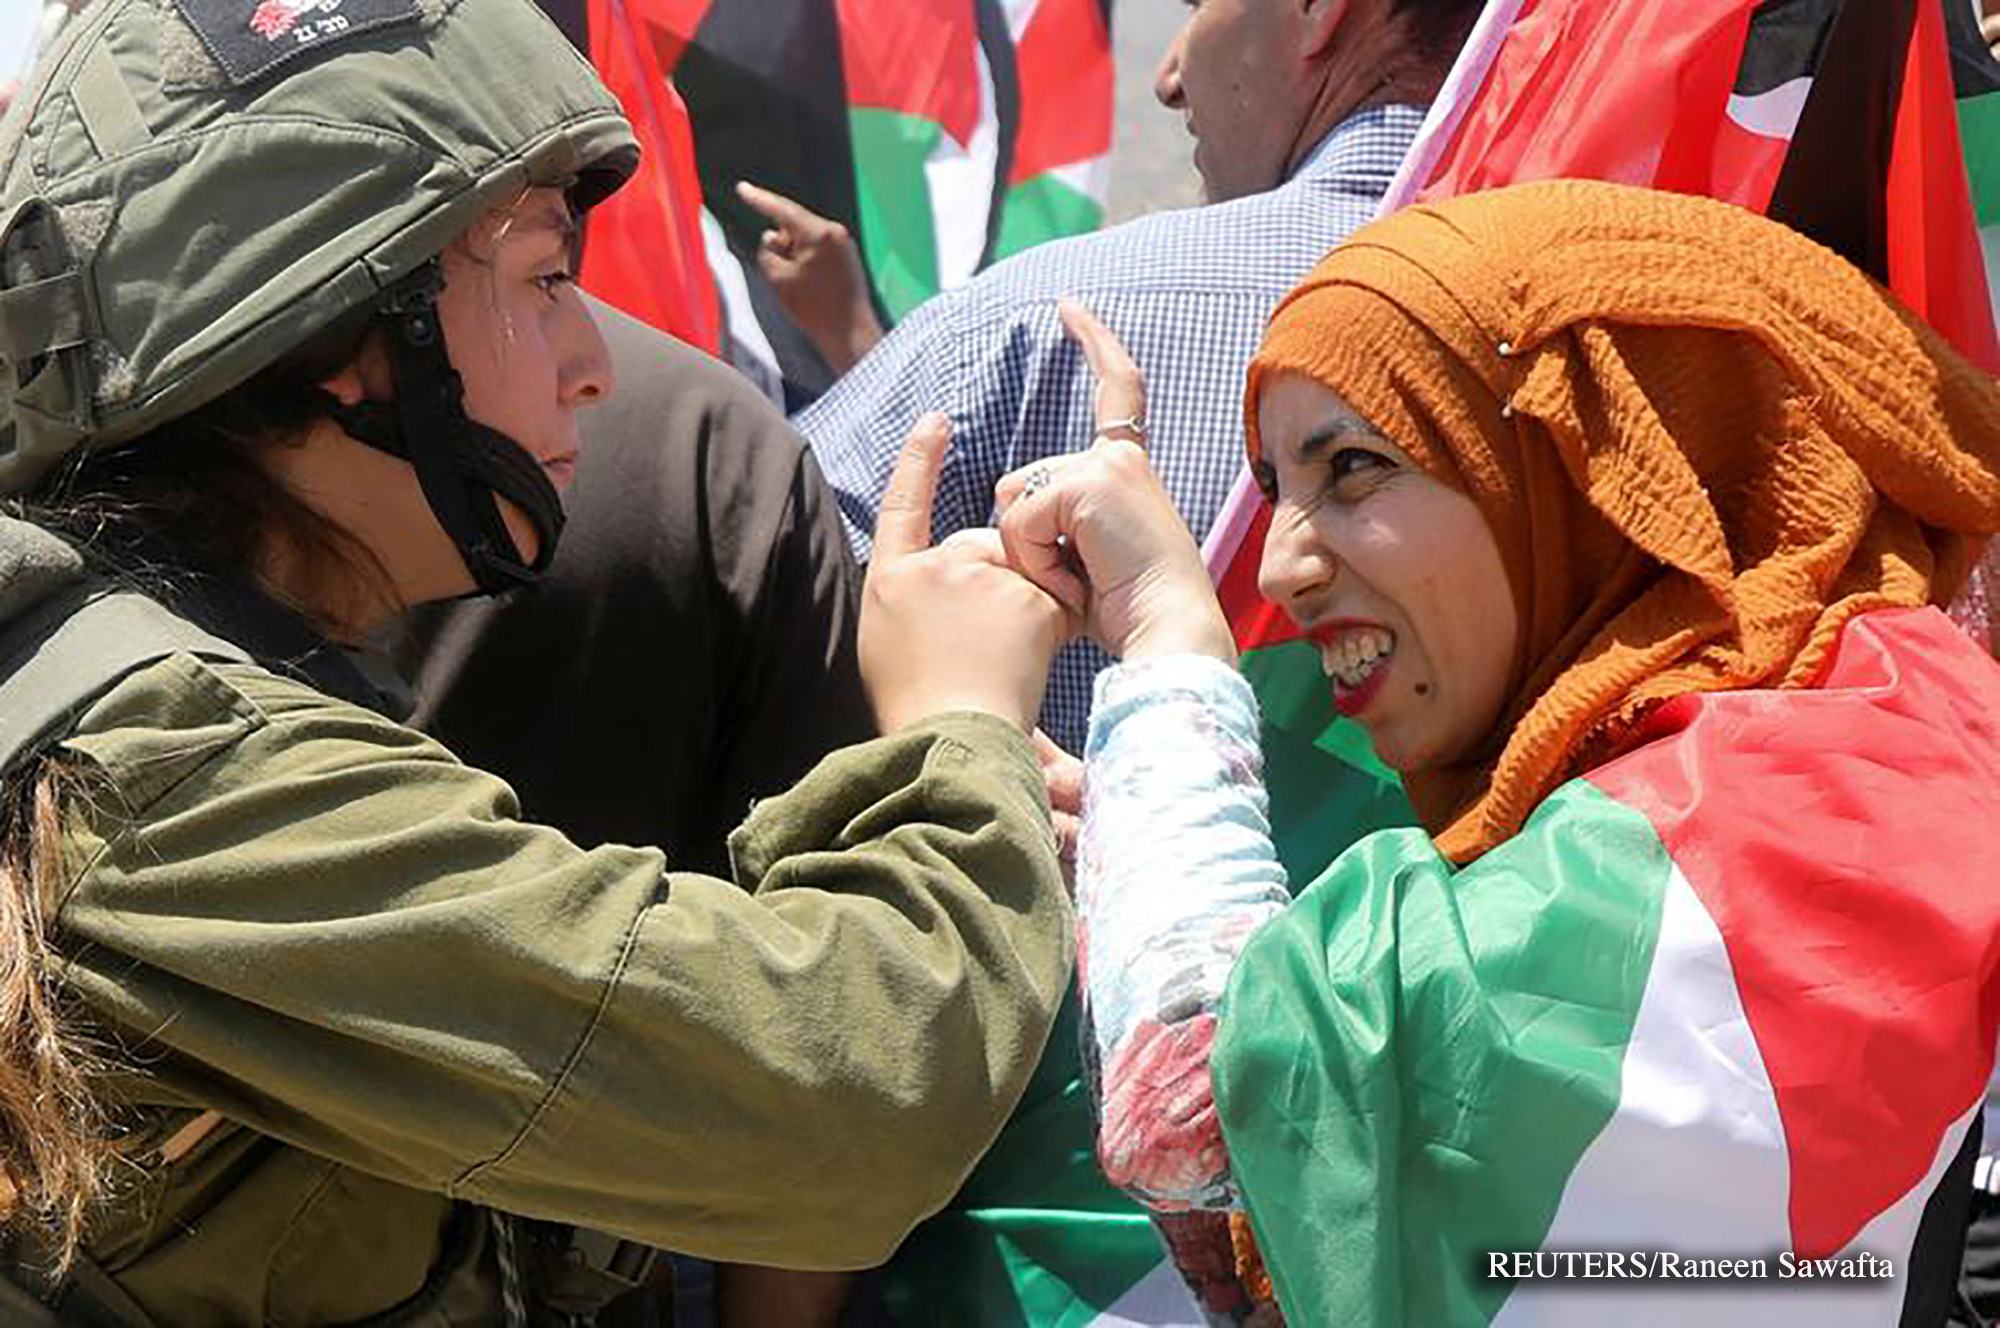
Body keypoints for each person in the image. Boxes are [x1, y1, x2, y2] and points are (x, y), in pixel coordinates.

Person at [0, 2, 1075, 1322]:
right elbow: (858, 1098)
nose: (590, 370)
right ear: (340, 324)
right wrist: (956, 722)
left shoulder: (163, 678)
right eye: (545, 280)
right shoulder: (164, 767)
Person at [997, 181, 2000, 1324]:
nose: (1279, 566)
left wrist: (1163, 635)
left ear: (1603, 466)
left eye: (1353, 466)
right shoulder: (1864, 725)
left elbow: (1191, 1103)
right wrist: (1145, 857)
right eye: (1276, 487)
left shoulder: (1786, 809)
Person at [800, 0, 1481, 756]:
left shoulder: (1031, 326)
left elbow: (734, 614)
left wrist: (963, 748)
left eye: (1197, 5)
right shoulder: (1616, 324)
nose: (1168, 76)